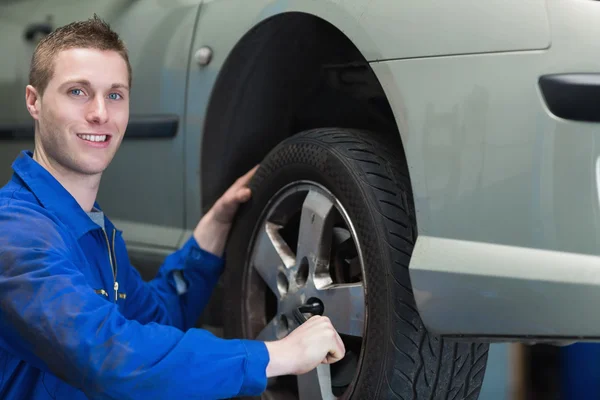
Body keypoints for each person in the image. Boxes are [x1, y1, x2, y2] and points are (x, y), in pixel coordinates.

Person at [0, 15, 345, 400]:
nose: (100, 113)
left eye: (115, 94)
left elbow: (156, 319)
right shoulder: (14, 235)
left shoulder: (91, 229)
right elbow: (111, 357)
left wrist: (212, 229)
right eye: (78, 92)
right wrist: (276, 355)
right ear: (34, 100)